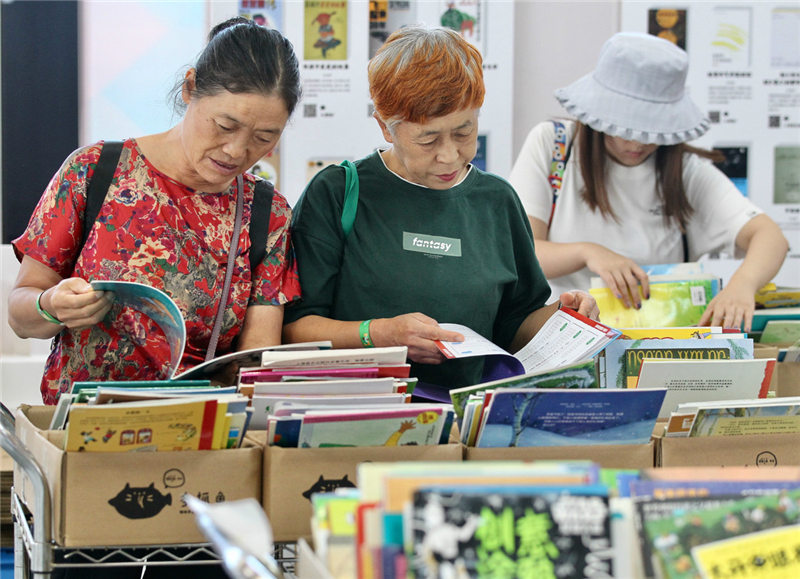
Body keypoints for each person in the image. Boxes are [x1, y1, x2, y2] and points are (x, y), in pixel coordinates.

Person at [282, 25, 597, 402]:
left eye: (465, 133)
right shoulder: (338, 193)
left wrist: (561, 318)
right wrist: (379, 335)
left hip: (469, 420)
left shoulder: (497, 201)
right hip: (359, 413)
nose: (449, 155)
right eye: (428, 139)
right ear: (385, 126)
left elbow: (514, 325)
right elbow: (294, 329)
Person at [8, 17, 302, 409]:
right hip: (83, 433)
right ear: (190, 88)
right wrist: (52, 305)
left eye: (264, 138)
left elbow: (256, 364)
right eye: (224, 125)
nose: (236, 150)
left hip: (198, 432)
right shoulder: (94, 171)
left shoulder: (268, 215)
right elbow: (21, 315)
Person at [508, 32, 788, 333]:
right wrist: (588, 252)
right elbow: (523, 254)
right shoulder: (554, 146)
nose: (636, 142)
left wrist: (741, 287)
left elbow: (770, 238)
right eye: (624, 128)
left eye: (650, 131)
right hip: (561, 336)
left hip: (655, 346)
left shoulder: (685, 171)